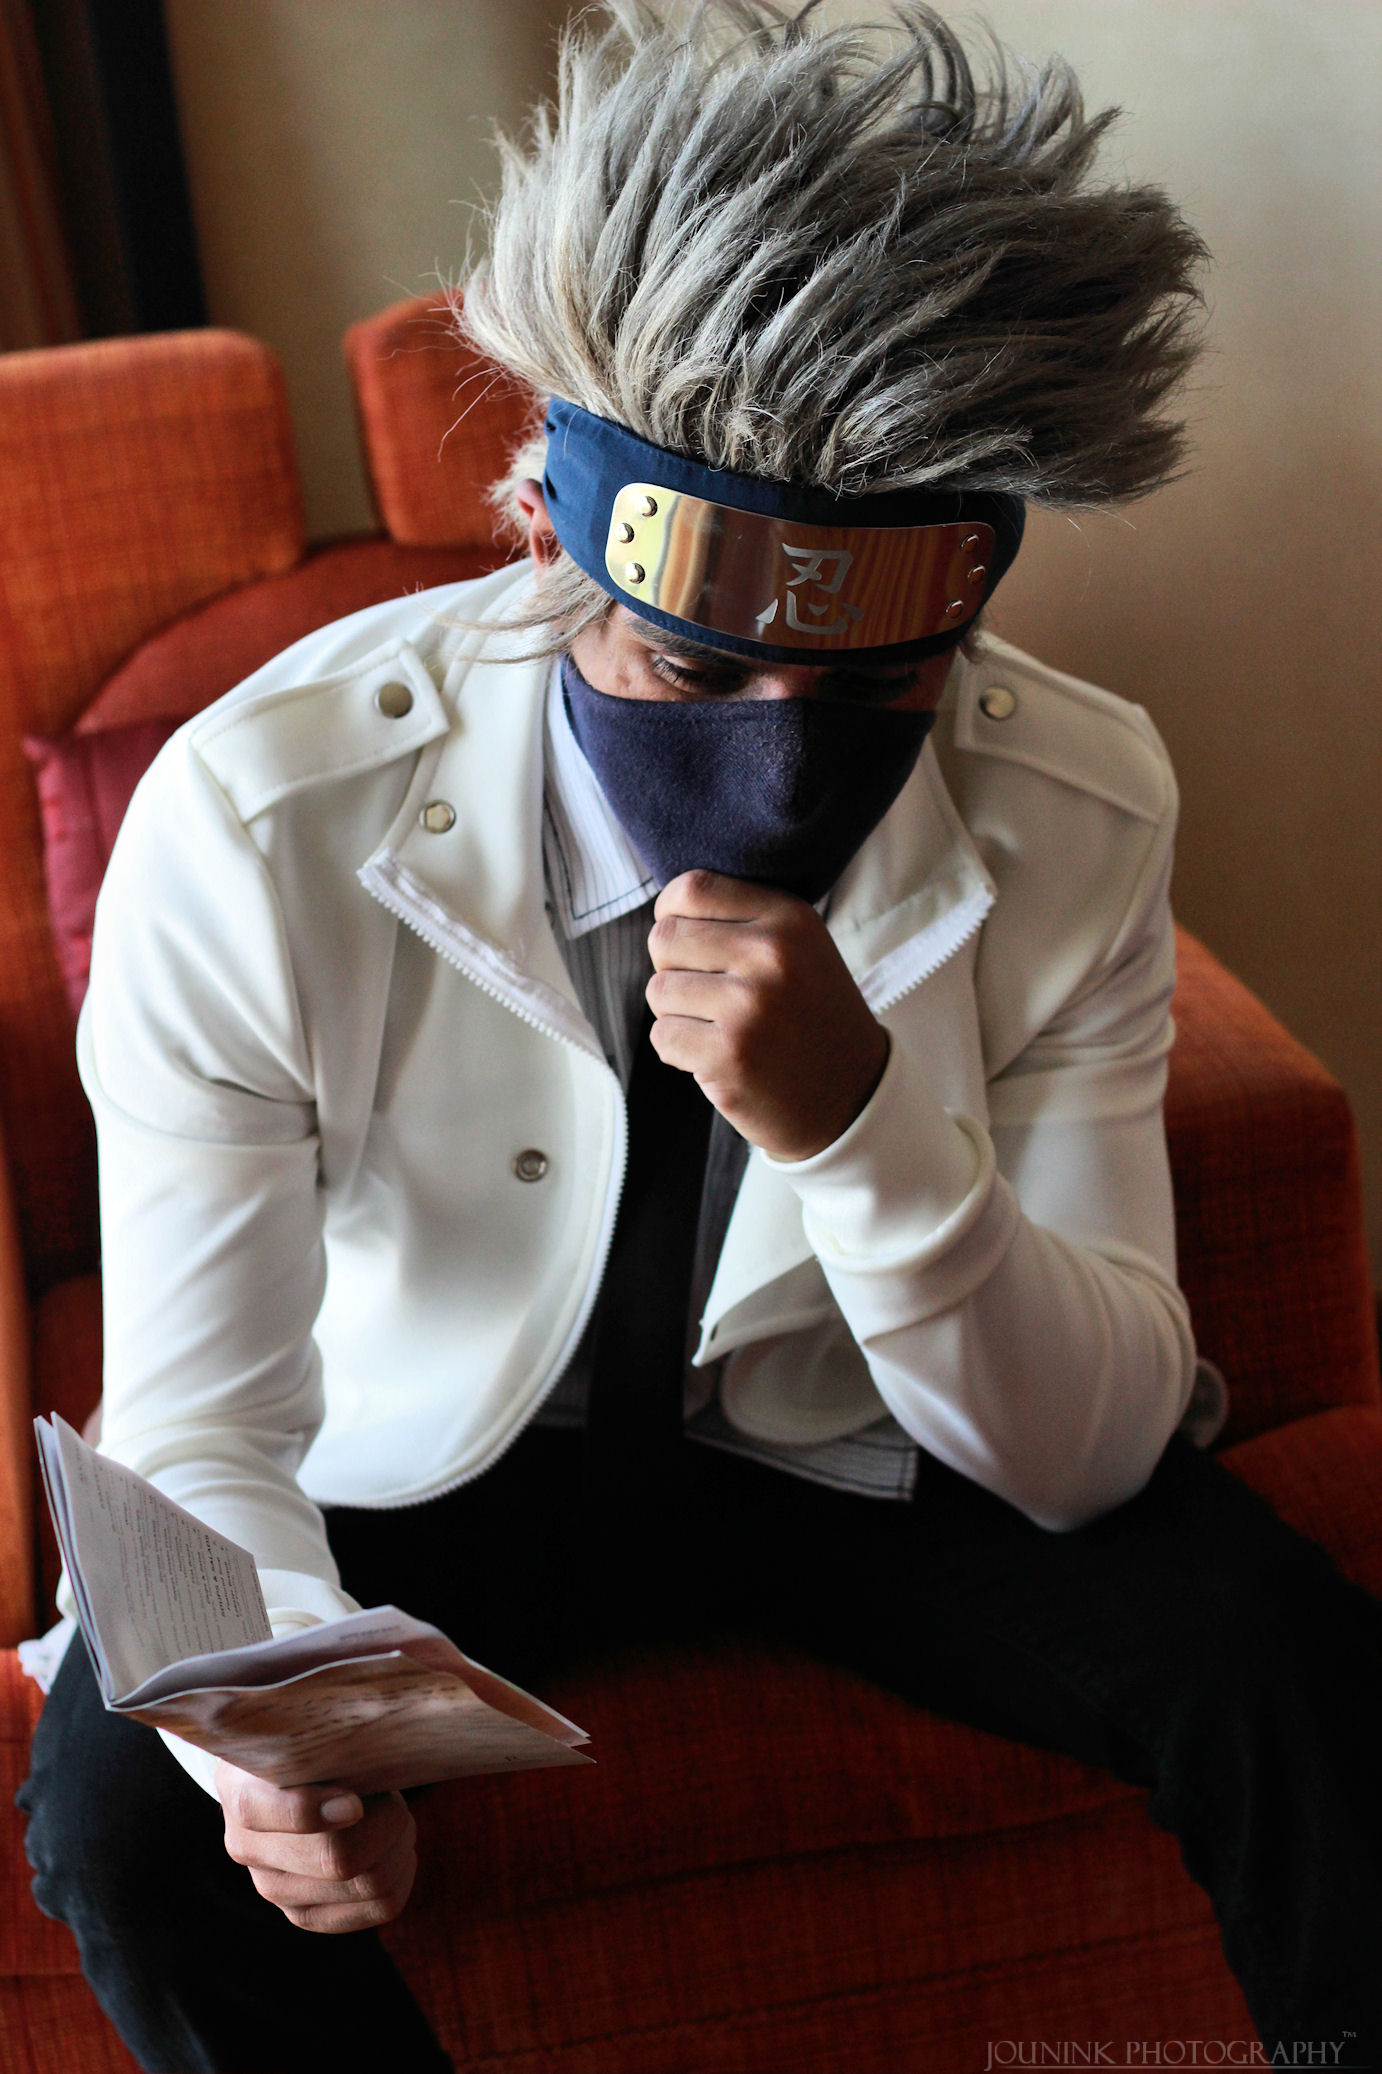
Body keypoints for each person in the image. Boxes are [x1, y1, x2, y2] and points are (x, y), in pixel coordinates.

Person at [18, 4, 1382, 2069]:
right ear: (542, 531)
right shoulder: (259, 816)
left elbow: (1096, 1448)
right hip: (428, 1467)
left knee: (1292, 1668)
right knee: (124, 1817)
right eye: (688, 667)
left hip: (854, 1440)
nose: (776, 763)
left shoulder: (1077, 795)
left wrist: (873, 1139)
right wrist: (269, 1755)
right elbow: (195, 1424)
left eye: (873, 691)